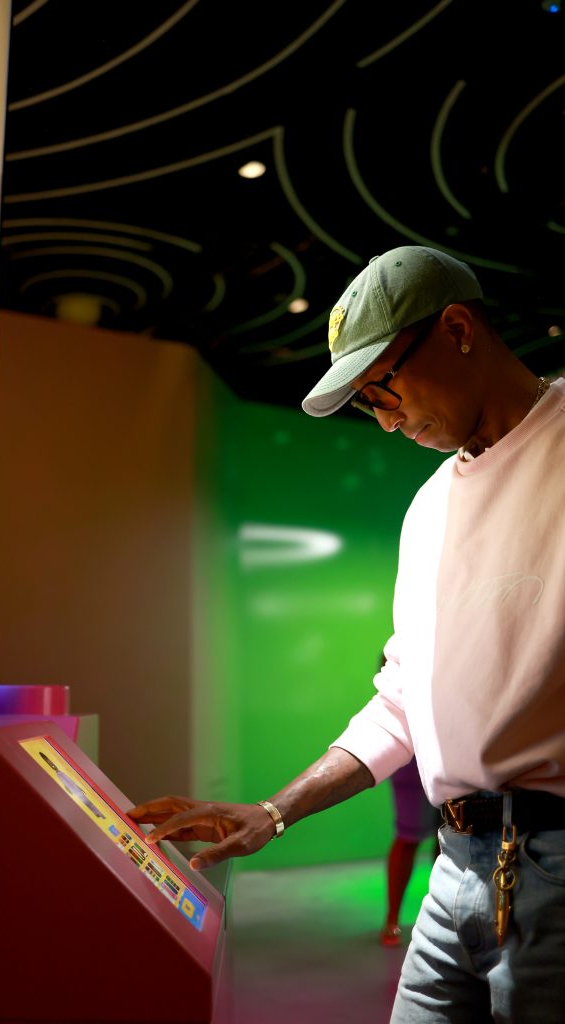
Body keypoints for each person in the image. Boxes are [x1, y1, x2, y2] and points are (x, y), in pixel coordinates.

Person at [128, 245, 565, 1023]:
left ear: (457, 329)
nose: (386, 418)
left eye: (384, 386)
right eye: (367, 404)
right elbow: (400, 700)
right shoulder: (427, 508)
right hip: (453, 871)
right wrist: (275, 811)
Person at [381, 756, 440, 947]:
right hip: (412, 760)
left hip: (453, 759)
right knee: (407, 839)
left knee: (449, 840)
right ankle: (392, 918)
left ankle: (443, 915)